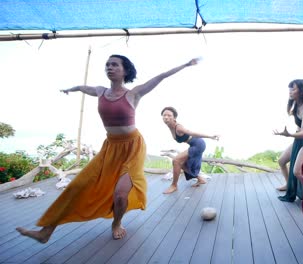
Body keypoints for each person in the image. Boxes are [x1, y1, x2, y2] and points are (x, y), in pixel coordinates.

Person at [16, 55, 200, 243]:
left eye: (115, 65)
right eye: (107, 65)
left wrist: (186, 64)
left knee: (120, 195)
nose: (110, 67)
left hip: (133, 148)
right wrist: (69, 89)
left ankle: (117, 223)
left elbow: (161, 76)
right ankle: (45, 232)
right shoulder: (100, 91)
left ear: (125, 70)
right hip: (110, 147)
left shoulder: (133, 93)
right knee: (77, 186)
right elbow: (82, 87)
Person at [161, 106, 219, 194]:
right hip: (194, 144)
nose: (166, 117)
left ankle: (174, 185)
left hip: (198, 144)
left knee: (176, 161)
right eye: (164, 115)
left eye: (169, 115)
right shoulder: (170, 126)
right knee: (182, 164)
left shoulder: (178, 127)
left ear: (174, 118)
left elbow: (193, 133)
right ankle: (200, 179)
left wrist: (210, 136)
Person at [274, 79, 303, 202]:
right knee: (281, 161)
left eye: (293, 89)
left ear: (301, 91)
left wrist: (289, 134)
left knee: (297, 171)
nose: (290, 91)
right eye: (290, 89)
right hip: (298, 139)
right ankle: (288, 185)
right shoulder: (297, 104)